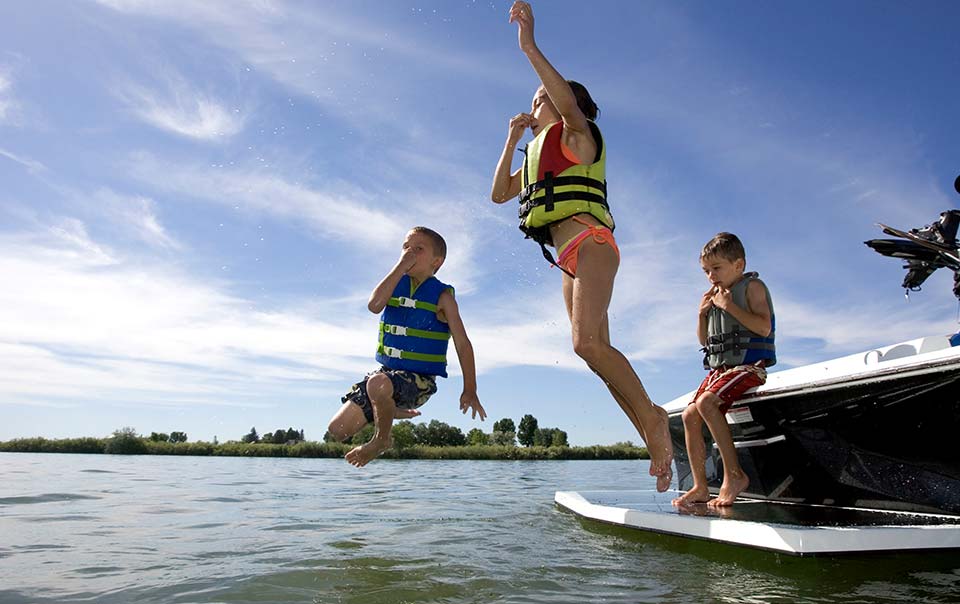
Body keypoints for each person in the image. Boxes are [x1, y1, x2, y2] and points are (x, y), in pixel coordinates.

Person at [489, 0, 673, 491]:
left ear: (563, 97)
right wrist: (512, 139)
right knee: (594, 354)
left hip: (592, 243)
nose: (533, 108)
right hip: (569, 260)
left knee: (585, 342)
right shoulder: (538, 149)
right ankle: (651, 435)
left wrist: (528, 45)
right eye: (531, 104)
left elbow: (564, 103)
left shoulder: (579, 135)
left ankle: (655, 418)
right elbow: (500, 194)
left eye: (539, 100)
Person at [326, 226, 486, 467]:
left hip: (419, 382)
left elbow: (463, 345)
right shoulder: (394, 283)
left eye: (418, 249)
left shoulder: (443, 298)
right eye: (406, 247)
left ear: (437, 261)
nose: (409, 253)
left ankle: (381, 440)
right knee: (337, 430)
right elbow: (374, 305)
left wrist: (470, 389)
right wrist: (400, 267)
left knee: (378, 384)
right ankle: (390, 410)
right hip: (385, 378)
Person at [673, 233, 776, 507]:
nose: (710, 276)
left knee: (707, 403)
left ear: (738, 265)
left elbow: (764, 327)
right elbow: (704, 342)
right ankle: (700, 487)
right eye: (706, 271)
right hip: (720, 371)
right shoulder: (713, 297)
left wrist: (729, 306)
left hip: (749, 367)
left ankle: (735, 476)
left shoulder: (752, 288)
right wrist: (702, 314)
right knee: (689, 415)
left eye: (716, 268)